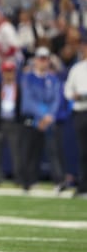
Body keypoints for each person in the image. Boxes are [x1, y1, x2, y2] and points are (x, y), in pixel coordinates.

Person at [18, 46, 61, 192]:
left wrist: (49, 116)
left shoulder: (53, 79)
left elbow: (56, 99)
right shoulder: (28, 78)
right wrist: (43, 115)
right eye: (41, 58)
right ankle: (28, 181)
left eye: (46, 59)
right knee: (29, 151)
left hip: (48, 120)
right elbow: (28, 101)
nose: (43, 62)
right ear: (35, 60)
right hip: (32, 119)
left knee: (54, 151)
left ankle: (59, 180)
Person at [63, 34, 87, 198]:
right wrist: (74, 96)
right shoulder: (76, 68)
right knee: (83, 151)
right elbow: (67, 90)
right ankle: (83, 185)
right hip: (79, 111)